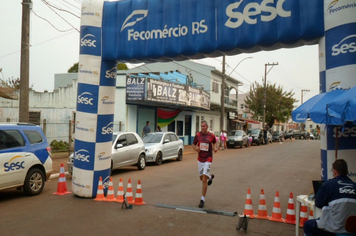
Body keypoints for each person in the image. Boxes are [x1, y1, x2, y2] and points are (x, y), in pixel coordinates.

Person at [304, 159, 356, 236]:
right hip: (353, 230)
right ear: (347, 172)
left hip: (335, 229)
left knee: (308, 225)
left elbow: (318, 203)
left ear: (335, 172)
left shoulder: (329, 184)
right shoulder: (354, 185)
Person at [193, 120, 217, 208]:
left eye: (204, 126)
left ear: (207, 127)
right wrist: (196, 149)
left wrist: (215, 148)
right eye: (201, 126)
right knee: (201, 178)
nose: (202, 128)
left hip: (208, 158)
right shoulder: (198, 135)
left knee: (204, 179)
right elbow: (193, 144)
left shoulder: (211, 135)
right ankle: (210, 177)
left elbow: (214, 142)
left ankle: (202, 199)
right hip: (200, 159)